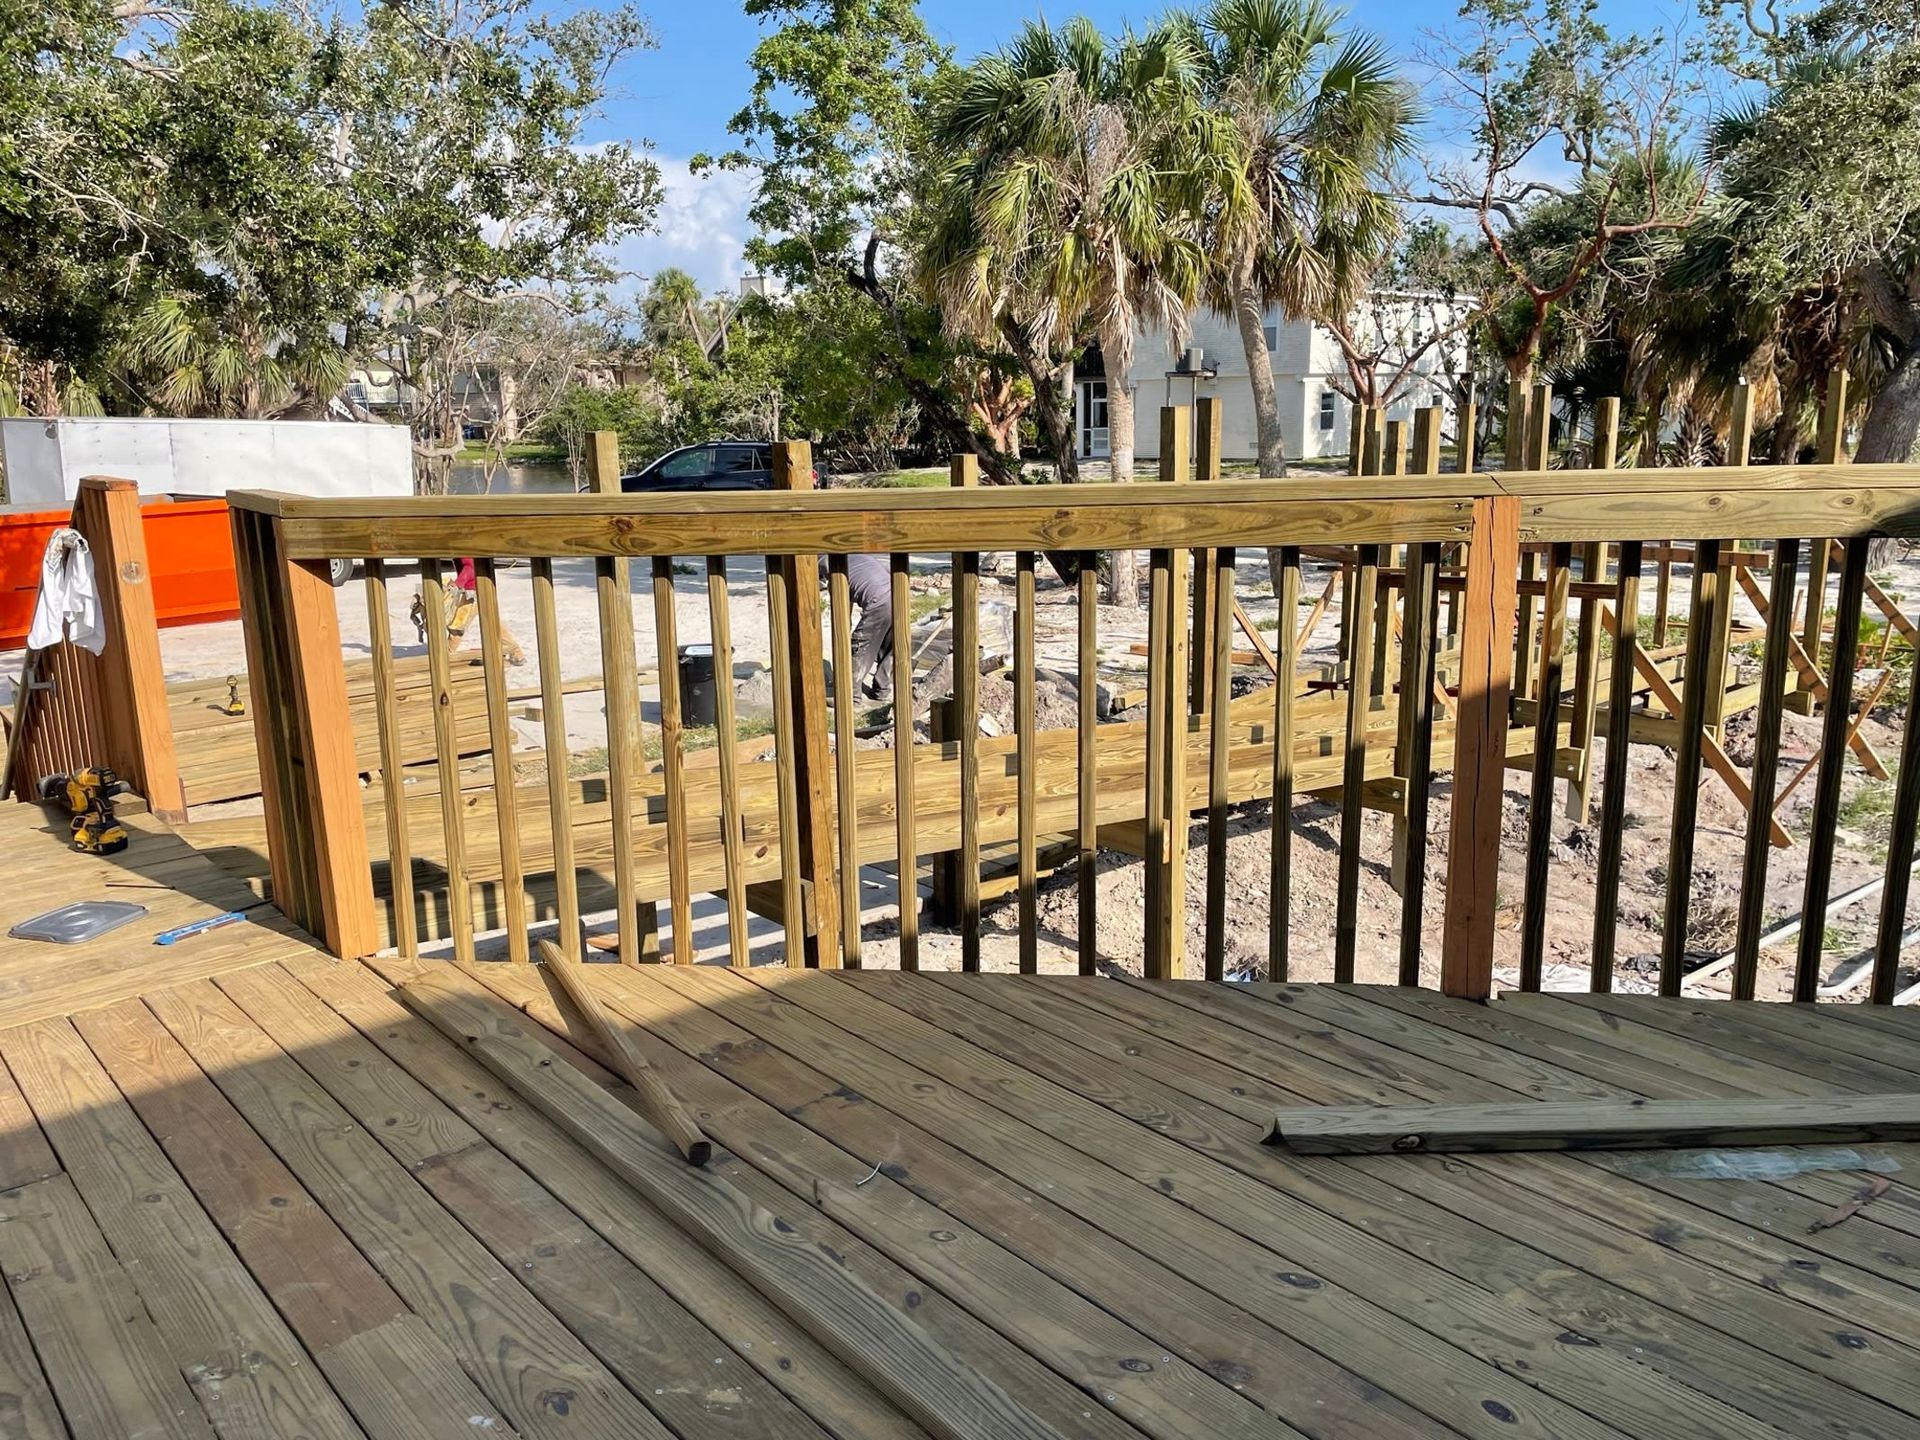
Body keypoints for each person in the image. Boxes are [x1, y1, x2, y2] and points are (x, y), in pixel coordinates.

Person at [819, 553, 894, 701]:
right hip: (897, 595)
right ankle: (882, 690)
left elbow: (841, 608)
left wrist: (845, 629)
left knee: (861, 646)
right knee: (888, 645)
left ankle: (850, 696)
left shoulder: (830, 565)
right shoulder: (859, 557)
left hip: (877, 601)